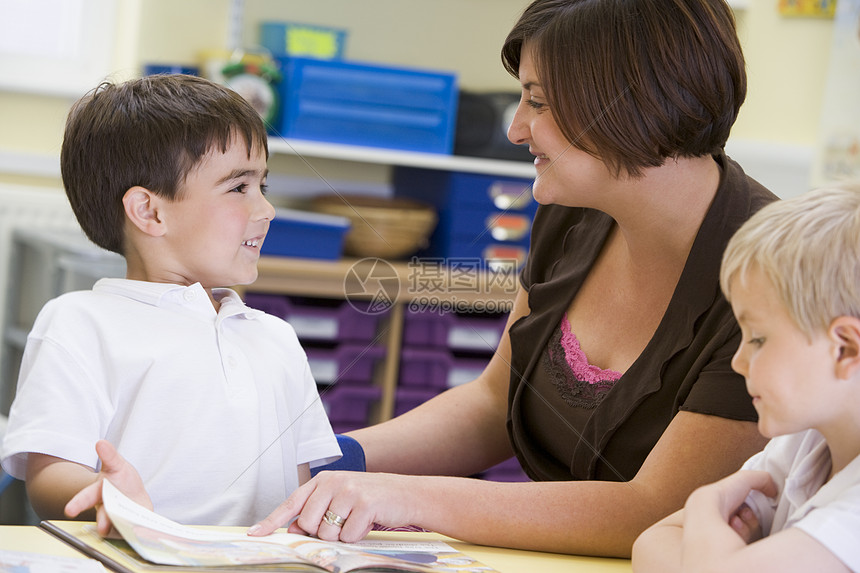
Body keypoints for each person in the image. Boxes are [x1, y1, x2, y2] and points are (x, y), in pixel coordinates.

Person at [248, 0, 776, 557]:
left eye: (538, 101)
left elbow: (658, 509)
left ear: (639, 102)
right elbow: (492, 404)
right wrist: (324, 460)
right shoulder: (573, 212)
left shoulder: (773, 270)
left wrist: (406, 499)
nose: (516, 127)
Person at [0, 74, 340, 533]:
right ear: (149, 212)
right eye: (239, 187)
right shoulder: (79, 323)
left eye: (264, 185)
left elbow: (295, 492)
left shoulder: (275, 337)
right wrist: (112, 499)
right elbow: (47, 475)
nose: (266, 210)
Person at [631, 184, 860, 572]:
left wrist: (704, 509)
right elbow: (650, 543)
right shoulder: (802, 444)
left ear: (845, 349)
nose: (738, 362)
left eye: (757, 338)